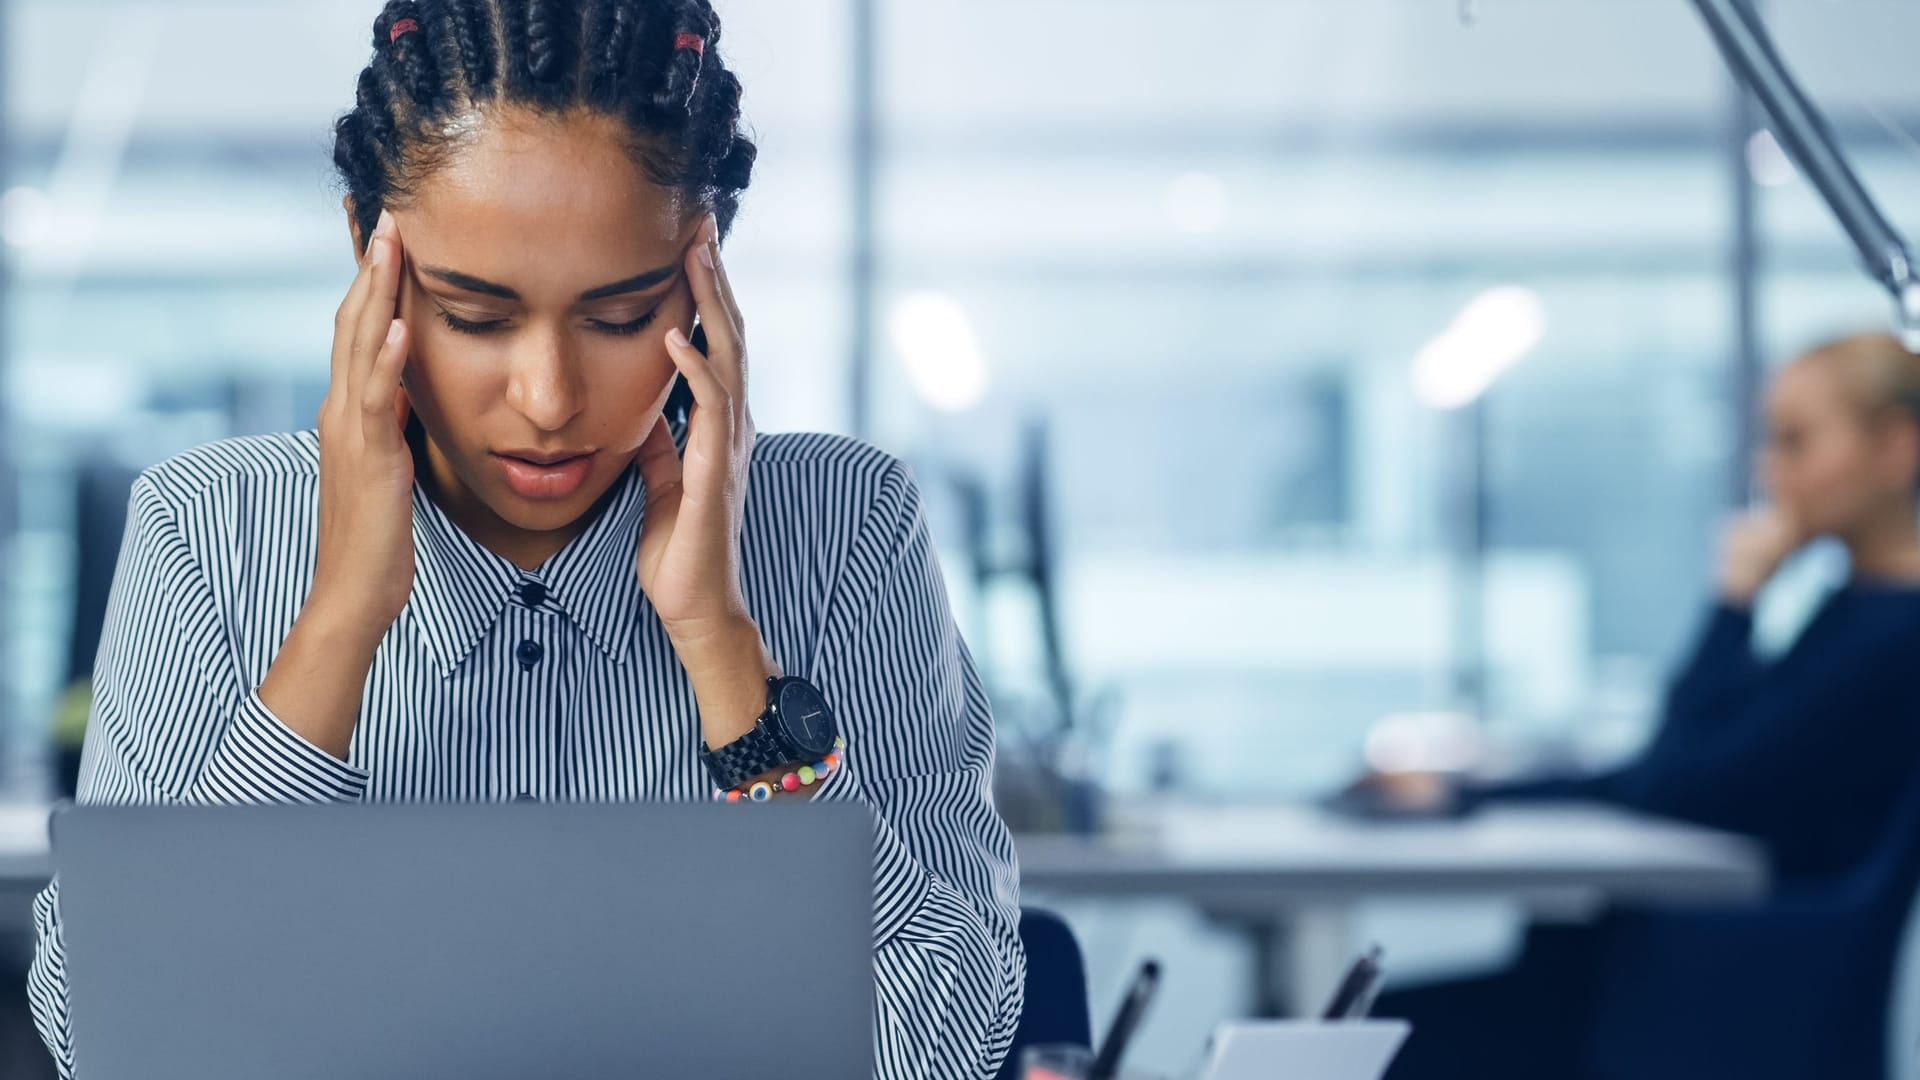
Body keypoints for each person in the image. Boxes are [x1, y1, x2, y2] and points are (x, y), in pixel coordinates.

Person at [26, 3, 1024, 1077]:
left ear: (704, 268)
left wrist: (725, 654)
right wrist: (338, 625)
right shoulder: (208, 529)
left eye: (619, 315)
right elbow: (115, 1047)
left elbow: (945, 1047)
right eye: (475, 317)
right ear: (372, 254)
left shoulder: (843, 527)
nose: (549, 400)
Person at [1372, 330, 1920, 1078]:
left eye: (1796, 442)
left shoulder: (1892, 639)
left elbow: (1673, 783)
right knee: (1386, 1024)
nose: (1771, 471)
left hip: (1727, 988)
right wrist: (1470, 792)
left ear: (1896, 446)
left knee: (1385, 1036)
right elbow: (1671, 774)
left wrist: (1734, 603)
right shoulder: (1849, 614)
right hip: (1698, 966)